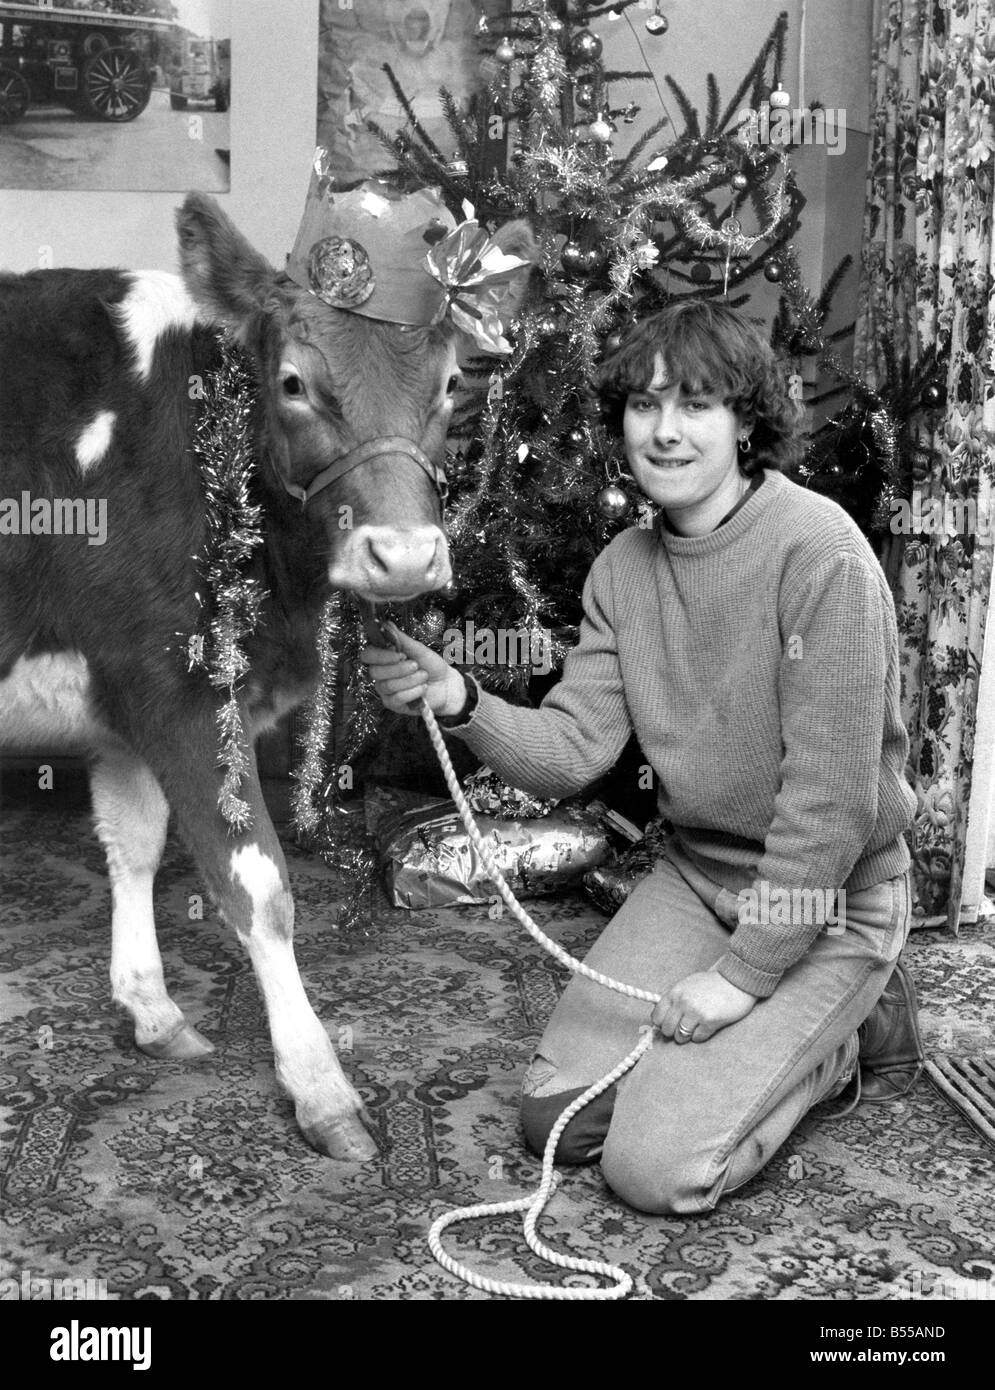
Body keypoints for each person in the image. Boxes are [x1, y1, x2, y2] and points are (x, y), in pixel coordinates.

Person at [361, 300, 924, 1216]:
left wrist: (740, 981)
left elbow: (830, 806)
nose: (663, 432)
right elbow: (572, 750)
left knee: (654, 1172)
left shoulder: (820, 553)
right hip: (698, 874)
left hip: (825, 899)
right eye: (644, 405)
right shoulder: (622, 567)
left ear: (746, 425)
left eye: (696, 406)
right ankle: (762, 1042)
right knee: (556, 1121)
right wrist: (460, 701)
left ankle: (836, 1048)